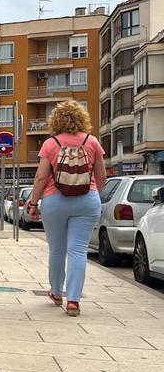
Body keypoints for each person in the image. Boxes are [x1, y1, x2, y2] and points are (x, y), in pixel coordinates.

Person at [27, 100, 106, 317]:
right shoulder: (92, 142)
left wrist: (33, 203)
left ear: (56, 120)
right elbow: (102, 177)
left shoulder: (50, 144)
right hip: (87, 200)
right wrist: (91, 195)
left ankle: (55, 292)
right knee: (78, 250)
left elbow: (41, 176)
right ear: (83, 119)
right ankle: (73, 301)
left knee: (56, 249)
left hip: (55, 201)